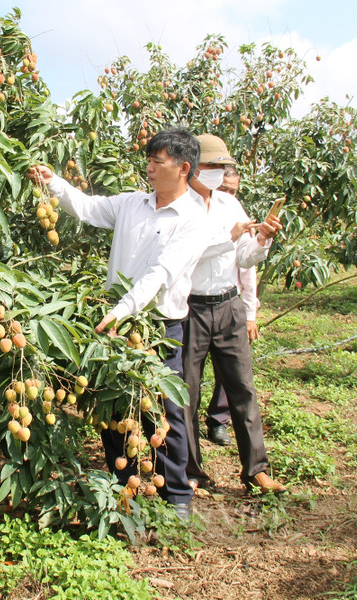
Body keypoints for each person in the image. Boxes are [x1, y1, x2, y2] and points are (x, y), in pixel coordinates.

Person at [26, 129, 208, 521]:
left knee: (165, 411)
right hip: (116, 321)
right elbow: (89, 208)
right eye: (150, 160)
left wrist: (125, 308)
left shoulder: (194, 220)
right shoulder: (132, 204)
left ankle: (176, 494)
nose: (149, 168)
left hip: (158, 326)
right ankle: (121, 481)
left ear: (183, 168)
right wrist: (52, 181)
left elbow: (162, 272)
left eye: (158, 162)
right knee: (111, 404)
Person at [182, 134, 287, 494]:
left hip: (228, 307)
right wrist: (229, 238)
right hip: (189, 308)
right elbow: (186, 255)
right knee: (186, 395)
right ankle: (191, 472)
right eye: (213, 167)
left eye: (222, 167)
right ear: (193, 167)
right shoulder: (178, 205)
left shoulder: (230, 205)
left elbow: (244, 258)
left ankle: (256, 468)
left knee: (242, 389)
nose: (220, 173)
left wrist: (261, 240)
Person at [204, 166, 261, 447]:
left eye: (233, 190)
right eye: (224, 188)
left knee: (238, 380)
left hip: (229, 302)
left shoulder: (234, 208)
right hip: (194, 304)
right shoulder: (194, 205)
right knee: (187, 382)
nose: (227, 194)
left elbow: (247, 264)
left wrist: (250, 311)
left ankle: (219, 421)